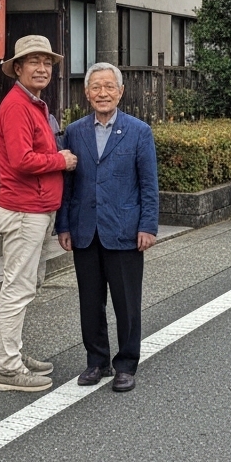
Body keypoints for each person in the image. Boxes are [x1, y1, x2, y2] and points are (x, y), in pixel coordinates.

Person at [56, 62, 159, 393]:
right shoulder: (74, 132)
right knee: (90, 299)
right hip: (85, 229)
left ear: (120, 92)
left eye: (109, 87)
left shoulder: (138, 131)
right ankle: (96, 361)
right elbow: (67, 186)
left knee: (127, 302)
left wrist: (148, 226)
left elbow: (149, 185)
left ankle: (126, 363)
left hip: (125, 229)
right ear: (86, 93)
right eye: (96, 87)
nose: (102, 93)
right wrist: (64, 225)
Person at [0, 35, 78, 392]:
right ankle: (7, 368)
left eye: (46, 62)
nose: (42, 68)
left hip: (35, 208)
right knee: (17, 288)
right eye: (33, 62)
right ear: (18, 68)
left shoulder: (33, 104)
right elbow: (21, 160)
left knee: (25, 286)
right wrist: (63, 160)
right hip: (24, 208)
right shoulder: (17, 106)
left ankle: (13, 355)